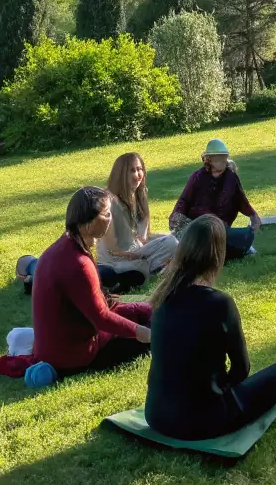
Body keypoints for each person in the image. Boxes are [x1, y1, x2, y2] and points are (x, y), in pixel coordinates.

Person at [144, 215, 276, 440]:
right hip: (205, 421)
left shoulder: (162, 298)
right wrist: (215, 387)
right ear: (218, 256)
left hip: (156, 415)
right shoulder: (220, 303)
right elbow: (241, 369)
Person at [31, 186, 152, 376]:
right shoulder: (77, 263)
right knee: (153, 334)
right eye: (106, 214)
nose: (110, 218)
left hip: (54, 349)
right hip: (72, 356)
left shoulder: (65, 245)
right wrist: (143, 333)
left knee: (147, 311)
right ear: (87, 223)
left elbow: (97, 307)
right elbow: (101, 318)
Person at [169, 139, 262, 259]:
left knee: (245, 236)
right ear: (209, 159)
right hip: (198, 226)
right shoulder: (197, 177)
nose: (223, 161)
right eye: (219, 158)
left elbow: (241, 200)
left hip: (220, 228)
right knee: (200, 241)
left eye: (224, 158)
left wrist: (253, 215)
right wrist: (176, 216)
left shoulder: (231, 178)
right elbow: (184, 200)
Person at [96, 152, 178, 279]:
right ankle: (153, 268)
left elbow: (144, 229)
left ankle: (153, 267)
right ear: (121, 174)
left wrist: (143, 243)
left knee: (173, 241)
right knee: (138, 267)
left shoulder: (140, 193)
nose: (138, 175)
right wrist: (138, 254)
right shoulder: (109, 201)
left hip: (137, 250)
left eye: (140, 169)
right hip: (116, 259)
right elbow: (112, 249)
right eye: (132, 171)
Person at [15, 253, 145, 297]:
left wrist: (28, 279)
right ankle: (110, 283)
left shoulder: (40, 266)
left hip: (65, 270)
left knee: (36, 267)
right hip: (95, 271)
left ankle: (108, 283)